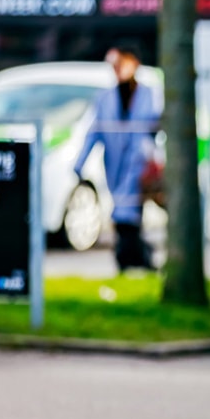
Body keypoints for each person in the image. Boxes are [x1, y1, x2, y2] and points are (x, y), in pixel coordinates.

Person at [73, 48, 160, 271]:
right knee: (124, 213)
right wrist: (79, 163)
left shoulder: (148, 94)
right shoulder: (105, 97)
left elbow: (154, 126)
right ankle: (135, 259)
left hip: (138, 165)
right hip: (114, 164)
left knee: (128, 213)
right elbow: (94, 130)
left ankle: (134, 258)